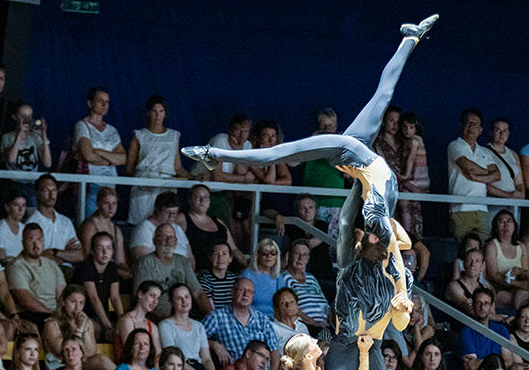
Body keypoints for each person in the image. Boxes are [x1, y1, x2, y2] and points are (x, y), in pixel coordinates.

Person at [184, 15, 439, 286]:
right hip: (355, 146)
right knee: (383, 94)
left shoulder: (368, 208)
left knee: (282, 152)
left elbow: (345, 224)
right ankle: (410, 38)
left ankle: (214, 155)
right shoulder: (383, 210)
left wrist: (346, 270)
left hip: (346, 149)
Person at [125, 95, 190, 225]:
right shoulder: (140, 135)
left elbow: (177, 168)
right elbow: (129, 167)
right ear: (148, 112)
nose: (157, 115)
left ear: (165, 113)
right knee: (142, 225)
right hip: (144, 186)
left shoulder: (173, 136)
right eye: (154, 111)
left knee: (165, 225)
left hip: (166, 187)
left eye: (161, 111)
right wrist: (143, 180)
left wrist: (193, 177)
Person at [446, 107, 498, 240]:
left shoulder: (485, 151)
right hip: (461, 208)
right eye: (468, 123)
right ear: (461, 125)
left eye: (475, 124)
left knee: (481, 251)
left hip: (482, 209)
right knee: (463, 250)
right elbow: (468, 166)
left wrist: (477, 177)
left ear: (481, 130)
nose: (471, 127)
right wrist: (486, 173)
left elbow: (497, 175)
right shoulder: (455, 145)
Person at [203, 277, 279, 368]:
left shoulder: (262, 319)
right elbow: (197, 339)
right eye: (241, 289)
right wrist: (213, 344)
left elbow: (274, 349)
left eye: (250, 291)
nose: (245, 294)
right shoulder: (217, 316)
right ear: (232, 292)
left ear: (253, 296)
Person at [135, 223, 208, 319]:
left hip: (181, 319)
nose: (168, 241)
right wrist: (168, 322)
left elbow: (198, 293)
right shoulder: (145, 262)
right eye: (163, 237)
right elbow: (141, 298)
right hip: (155, 319)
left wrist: (211, 315)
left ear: (176, 241)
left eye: (171, 237)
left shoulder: (182, 261)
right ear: (154, 241)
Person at [74, 87, 125, 212]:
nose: (104, 105)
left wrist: (99, 151)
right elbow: (88, 155)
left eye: (107, 101)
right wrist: (111, 159)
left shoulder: (112, 130)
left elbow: (123, 158)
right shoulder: (82, 125)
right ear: (90, 103)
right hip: (91, 184)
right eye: (100, 101)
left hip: (110, 185)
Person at [7, 224, 65, 331]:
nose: (35, 245)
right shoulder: (16, 266)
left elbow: (62, 295)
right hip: (32, 314)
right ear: (23, 242)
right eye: (30, 240)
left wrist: (62, 313)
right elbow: (25, 300)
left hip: (55, 313)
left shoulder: (52, 264)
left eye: (39, 240)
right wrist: (52, 314)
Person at [71, 231, 125, 340]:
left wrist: (122, 320)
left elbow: (115, 297)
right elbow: (94, 298)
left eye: (108, 248)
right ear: (92, 251)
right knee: (100, 329)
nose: (105, 252)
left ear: (113, 251)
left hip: (100, 316)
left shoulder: (112, 267)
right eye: (100, 248)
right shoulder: (85, 267)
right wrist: (108, 325)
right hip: (82, 315)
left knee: (123, 328)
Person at [180, 185, 244, 268]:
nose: (202, 200)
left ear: (209, 201)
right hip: (199, 271)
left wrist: (243, 262)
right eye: (198, 197)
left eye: (206, 197)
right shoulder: (182, 219)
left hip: (224, 271)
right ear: (190, 200)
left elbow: (233, 248)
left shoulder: (219, 222)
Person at [26, 174, 82, 264]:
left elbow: (80, 255)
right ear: (36, 194)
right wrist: (66, 255)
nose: (51, 194)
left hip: (66, 271)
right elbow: (36, 258)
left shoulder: (65, 222)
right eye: (46, 190)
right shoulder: (31, 223)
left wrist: (55, 252)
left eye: (54, 190)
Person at [457, 288, 512, 370]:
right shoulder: (466, 332)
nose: (482, 307)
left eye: (486, 303)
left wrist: (482, 361)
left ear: (491, 306)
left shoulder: (501, 329)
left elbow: (508, 361)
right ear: (473, 305)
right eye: (479, 303)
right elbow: (472, 367)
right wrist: (496, 362)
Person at [78, 187, 127, 274]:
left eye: (114, 203)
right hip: (92, 271)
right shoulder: (89, 226)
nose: (111, 207)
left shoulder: (116, 230)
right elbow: (87, 256)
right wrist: (116, 271)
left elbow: (120, 260)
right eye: (106, 203)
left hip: (110, 270)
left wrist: (126, 270)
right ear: (98, 204)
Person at [483, 117, 522, 200]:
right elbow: (483, 183)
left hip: (512, 203)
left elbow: (519, 183)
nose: (501, 134)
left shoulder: (513, 154)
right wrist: (507, 195)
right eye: (497, 130)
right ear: (491, 132)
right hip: (493, 201)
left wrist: (520, 196)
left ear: (508, 133)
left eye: (504, 131)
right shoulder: (483, 151)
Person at [0, 193, 28, 260]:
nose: (20, 210)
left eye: (23, 205)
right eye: (16, 205)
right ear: (7, 207)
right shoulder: (0, 228)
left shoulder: (24, 228)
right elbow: (2, 258)